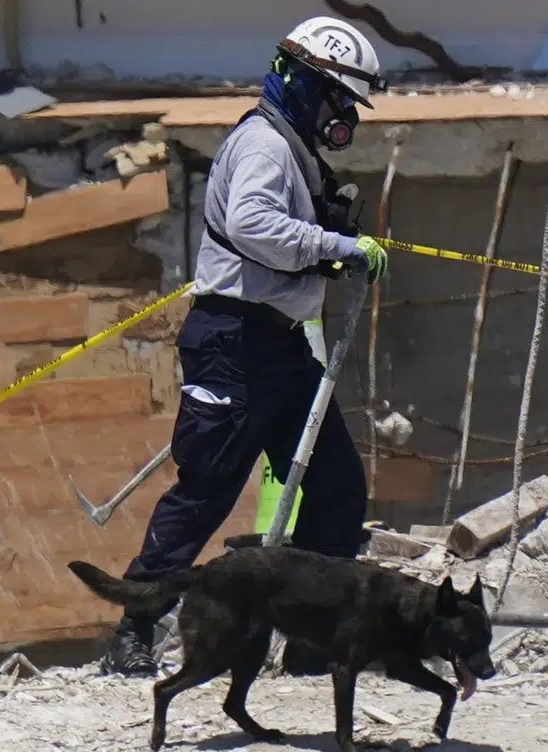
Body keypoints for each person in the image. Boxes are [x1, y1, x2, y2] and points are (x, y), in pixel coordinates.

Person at [101, 17, 391, 678]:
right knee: (206, 492)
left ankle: (315, 643)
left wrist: (330, 243)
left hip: (282, 348)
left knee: (337, 486)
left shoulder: (292, 147)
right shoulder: (264, 144)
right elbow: (253, 225)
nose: (343, 116)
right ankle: (135, 627)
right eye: (339, 99)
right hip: (236, 342)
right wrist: (337, 247)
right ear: (307, 84)